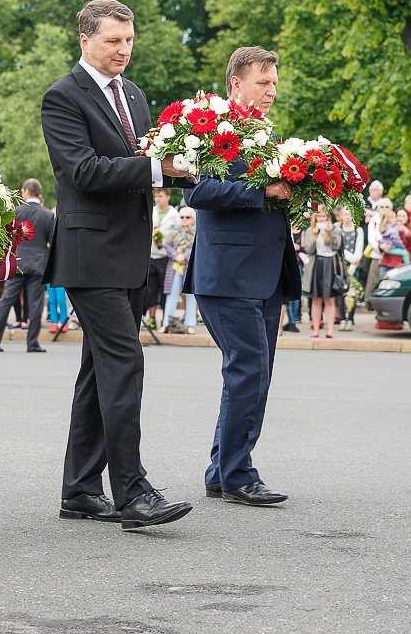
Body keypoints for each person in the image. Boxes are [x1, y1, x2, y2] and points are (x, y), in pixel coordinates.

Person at [41, 0, 194, 529]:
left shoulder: (134, 94)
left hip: (130, 252)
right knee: (124, 365)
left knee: (97, 373)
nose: (123, 51)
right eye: (113, 41)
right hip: (89, 255)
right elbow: (83, 171)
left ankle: (80, 490)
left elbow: (147, 165)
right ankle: (131, 492)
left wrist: (186, 168)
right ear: (85, 40)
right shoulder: (62, 97)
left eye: (129, 41)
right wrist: (157, 167)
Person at [185, 45, 301, 506]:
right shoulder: (213, 129)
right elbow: (198, 190)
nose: (271, 91)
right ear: (236, 83)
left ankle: (222, 469)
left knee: (252, 373)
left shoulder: (267, 133)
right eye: (262, 82)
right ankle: (237, 474)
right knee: (248, 371)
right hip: (228, 275)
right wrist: (264, 190)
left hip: (266, 274)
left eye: (274, 82)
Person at [0, 178, 55, 353]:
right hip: (38, 264)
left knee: (6, 300)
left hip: (17, 263)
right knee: (35, 304)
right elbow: (53, 242)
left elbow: (6, 238)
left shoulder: (15, 212)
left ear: (25, 191)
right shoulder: (47, 215)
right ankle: (32, 343)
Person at [305, 206, 342, 338]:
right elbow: (308, 250)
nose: (321, 219)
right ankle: (315, 329)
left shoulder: (334, 229)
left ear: (328, 218)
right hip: (317, 264)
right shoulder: (310, 230)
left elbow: (337, 246)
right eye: (319, 217)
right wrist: (314, 237)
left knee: (329, 299)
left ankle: (330, 330)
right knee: (316, 299)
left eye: (324, 216)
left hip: (330, 265)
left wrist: (330, 231)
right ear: (315, 218)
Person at [145, 188, 180, 329]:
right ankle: (152, 318)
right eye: (156, 196)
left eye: (161, 196)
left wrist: (164, 242)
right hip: (151, 255)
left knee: (166, 290)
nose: (158, 199)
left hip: (166, 257)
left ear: (168, 197)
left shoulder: (174, 214)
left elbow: (178, 235)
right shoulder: (151, 211)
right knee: (150, 289)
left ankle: (166, 321)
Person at [161, 206, 198, 334]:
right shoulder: (174, 231)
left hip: (190, 266)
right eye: (182, 217)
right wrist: (176, 256)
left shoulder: (197, 232)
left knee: (191, 295)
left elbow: (196, 247)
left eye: (187, 217)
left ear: (193, 219)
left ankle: (190, 324)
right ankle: (166, 323)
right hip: (175, 266)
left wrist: (185, 256)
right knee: (171, 294)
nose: (184, 219)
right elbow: (167, 246)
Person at [335, 206, 364, 330]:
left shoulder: (359, 230)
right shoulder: (337, 229)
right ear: (341, 216)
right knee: (342, 293)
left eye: (349, 214)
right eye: (345, 214)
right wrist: (350, 259)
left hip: (354, 266)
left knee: (353, 293)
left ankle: (351, 318)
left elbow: (359, 249)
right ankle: (342, 318)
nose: (348, 216)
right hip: (342, 265)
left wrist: (354, 264)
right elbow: (338, 248)